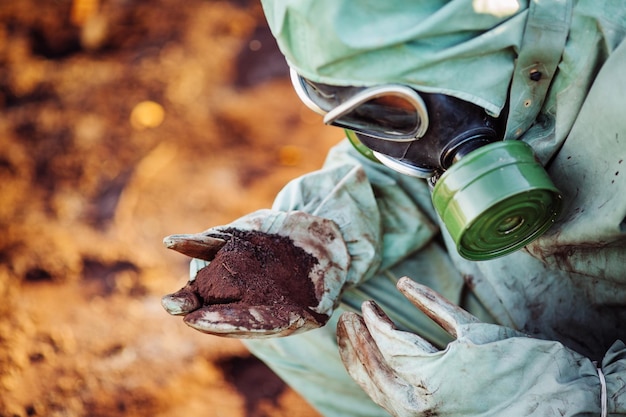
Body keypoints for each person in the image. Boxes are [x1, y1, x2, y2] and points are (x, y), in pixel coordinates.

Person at [161, 1, 626, 416]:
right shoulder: (458, 78)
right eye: (342, 105)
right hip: (507, 281)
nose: (377, 138)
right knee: (292, 310)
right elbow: (412, 170)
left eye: (391, 111)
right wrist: (324, 233)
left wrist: (581, 399)